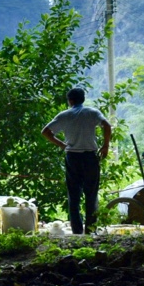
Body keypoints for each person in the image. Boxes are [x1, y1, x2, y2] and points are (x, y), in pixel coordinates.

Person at [41, 87, 111, 235]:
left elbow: (45, 132)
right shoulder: (92, 113)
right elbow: (107, 126)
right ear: (83, 99)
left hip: (72, 157)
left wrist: (61, 144)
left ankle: (77, 231)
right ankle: (91, 230)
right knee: (91, 194)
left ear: (70, 101)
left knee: (74, 195)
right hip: (90, 157)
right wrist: (105, 146)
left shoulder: (64, 115)